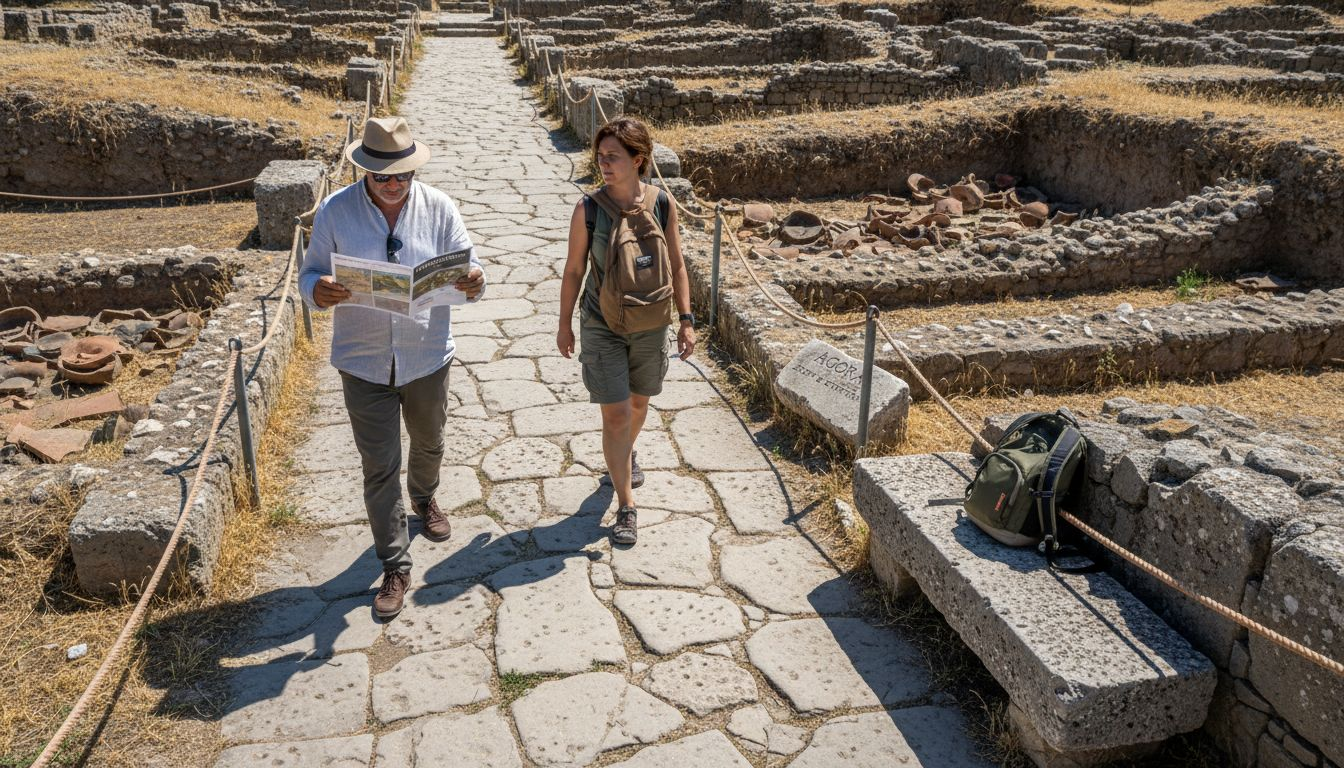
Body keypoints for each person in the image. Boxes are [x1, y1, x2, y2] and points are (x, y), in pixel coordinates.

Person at [299, 116, 486, 618]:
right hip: (362, 361)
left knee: (429, 442)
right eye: (382, 176)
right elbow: (310, 271)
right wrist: (318, 290)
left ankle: (424, 499)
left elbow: (471, 265)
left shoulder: (441, 207)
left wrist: (473, 279)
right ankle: (395, 564)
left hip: (426, 355)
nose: (392, 184)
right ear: (364, 171)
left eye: (401, 175)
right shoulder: (335, 212)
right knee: (378, 466)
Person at [557, 117, 695, 546]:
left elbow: (676, 263)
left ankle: (624, 454)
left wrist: (687, 320)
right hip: (602, 324)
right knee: (615, 415)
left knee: (638, 405)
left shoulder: (662, 204)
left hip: (651, 322)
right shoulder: (589, 209)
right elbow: (574, 269)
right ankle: (626, 504)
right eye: (601, 156)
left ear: (639, 160)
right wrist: (564, 324)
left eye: (613, 157)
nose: (604, 164)